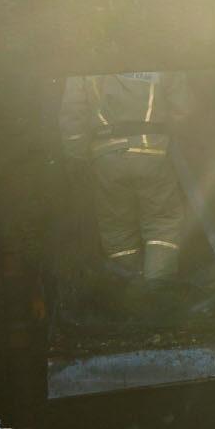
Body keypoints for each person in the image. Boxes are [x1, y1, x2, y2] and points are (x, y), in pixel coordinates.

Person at [59, 71, 192, 284]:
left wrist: (77, 155)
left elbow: (73, 114)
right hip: (153, 151)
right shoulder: (158, 53)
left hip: (105, 156)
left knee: (117, 226)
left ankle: (128, 291)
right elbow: (183, 110)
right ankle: (157, 289)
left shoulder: (83, 63)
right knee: (162, 221)